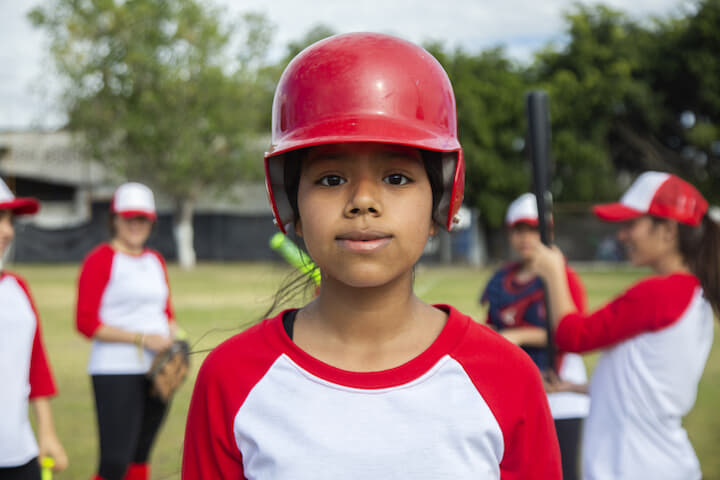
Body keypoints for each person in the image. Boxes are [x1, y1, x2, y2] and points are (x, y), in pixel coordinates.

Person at [182, 32, 561, 479]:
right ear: (291, 207)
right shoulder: (231, 378)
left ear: (442, 202)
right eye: (330, 179)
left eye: (397, 178)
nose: (363, 201)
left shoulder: (506, 376)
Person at [530, 171, 719, 480]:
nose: (622, 234)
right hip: (657, 464)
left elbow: (573, 336)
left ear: (668, 230)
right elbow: (649, 385)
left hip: (635, 467)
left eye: (632, 224)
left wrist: (554, 272)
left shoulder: (660, 293)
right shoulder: (693, 293)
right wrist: (578, 388)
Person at [481, 192, 590, 480]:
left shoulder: (562, 277)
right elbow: (493, 328)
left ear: (547, 231)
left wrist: (517, 335)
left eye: (533, 229)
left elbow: (571, 332)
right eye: (519, 229)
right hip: (515, 391)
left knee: (562, 472)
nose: (526, 237)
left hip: (560, 391)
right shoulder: (501, 279)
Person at [76, 182, 177, 480]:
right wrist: (141, 338)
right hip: (115, 369)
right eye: (128, 217)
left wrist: (173, 338)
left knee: (140, 456)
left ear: (151, 221)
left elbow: (165, 311)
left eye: (142, 218)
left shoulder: (154, 260)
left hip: (157, 367)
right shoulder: (101, 259)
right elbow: (86, 323)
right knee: (115, 462)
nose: (135, 224)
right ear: (115, 219)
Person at [0, 178, 68, 479]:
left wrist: (48, 431)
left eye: (10, 220)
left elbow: (35, 364)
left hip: (20, 452)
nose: (8, 231)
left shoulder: (17, 288)